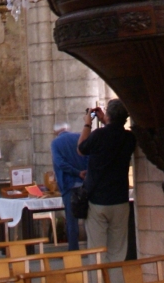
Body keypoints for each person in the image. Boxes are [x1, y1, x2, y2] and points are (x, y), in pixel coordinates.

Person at [77, 99, 135, 262]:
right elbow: (112, 156)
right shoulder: (129, 138)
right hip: (120, 200)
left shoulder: (98, 135)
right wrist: (107, 121)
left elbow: (81, 149)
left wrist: (88, 124)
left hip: (98, 201)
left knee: (97, 251)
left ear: (108, 115)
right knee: (117, 250)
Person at [50, 122, 84, 251]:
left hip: (69, 184)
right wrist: (84, 172)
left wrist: (76, 173)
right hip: (85, 182)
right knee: (90, 217)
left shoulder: (55, 143)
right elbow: (88, 155)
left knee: (71, 220)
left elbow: (60, 163)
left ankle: (74, 249)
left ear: (56, 132)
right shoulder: (79, 137)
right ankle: (93, 248)